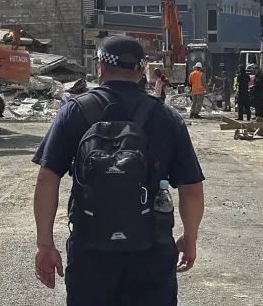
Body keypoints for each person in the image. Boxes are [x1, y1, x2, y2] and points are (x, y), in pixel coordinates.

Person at [32, 35, 205, 306]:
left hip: (91, 251)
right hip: (152, 250)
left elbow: (47, 179)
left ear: (100, 67)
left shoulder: (74, 112)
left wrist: (45, 244)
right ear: (141, 70)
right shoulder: (166, 117)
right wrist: (190, 238)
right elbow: (192, 190)